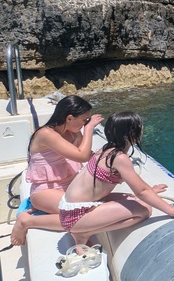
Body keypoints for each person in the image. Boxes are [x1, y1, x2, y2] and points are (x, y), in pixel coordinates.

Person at [59, 112, 174, 253]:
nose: (142, 130)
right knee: (144, 210)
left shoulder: (105, 149)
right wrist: (171, 210)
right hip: (76, 216)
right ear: (132, 134)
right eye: (140, 127)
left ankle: (82, 230)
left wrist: (151, 191)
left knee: (133, 199)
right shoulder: (119, 158)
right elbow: (141, 191)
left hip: (71, 209)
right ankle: (84, 233)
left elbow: (138, 186)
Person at [10, 95, 104, 246]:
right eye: (84, 119)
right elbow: (81, 155)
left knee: (94, 210)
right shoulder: (46, 134)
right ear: (69, 118)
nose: (86, 123)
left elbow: (88, 155)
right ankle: (26, 221)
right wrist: (89, 129)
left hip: (69, 186)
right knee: (77, 216)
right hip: (45, 190)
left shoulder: (73, 131)